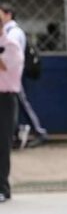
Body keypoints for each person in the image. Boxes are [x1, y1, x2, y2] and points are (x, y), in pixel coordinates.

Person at [0, 3, 47, 148]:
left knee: (19, 102)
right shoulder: (7, 30)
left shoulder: (13, 31)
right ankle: (17, 134)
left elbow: (11, 54)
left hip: (11, 75)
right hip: (6, 76)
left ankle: (38, 131)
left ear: (8, 14)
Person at [0, 29, 23, 203]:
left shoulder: (11, 46)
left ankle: (2, 188)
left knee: (2, 143)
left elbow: (6, 67)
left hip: (4, 98)